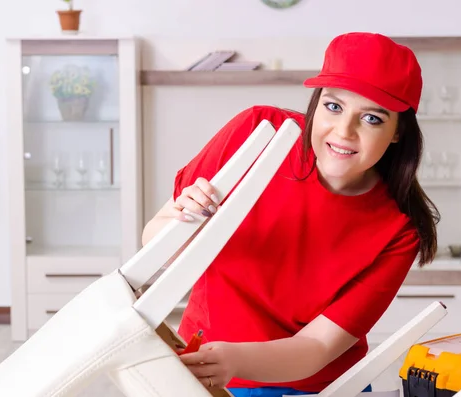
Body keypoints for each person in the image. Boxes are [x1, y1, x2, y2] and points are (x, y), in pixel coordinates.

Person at [141, 32, 440, 397]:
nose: (343, 132)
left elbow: (317, 346)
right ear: (317, 102)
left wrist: (233, 360)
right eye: (333, 106)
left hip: (317, 388)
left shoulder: (400, 230)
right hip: (201, 369)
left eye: (372, 119)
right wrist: (180, 223)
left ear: (398, 132)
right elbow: (153, 244)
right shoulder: (258, 134)